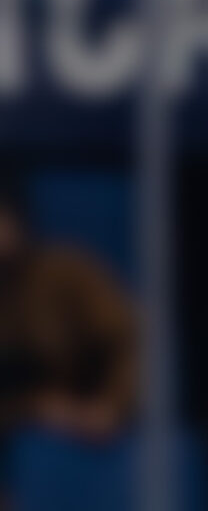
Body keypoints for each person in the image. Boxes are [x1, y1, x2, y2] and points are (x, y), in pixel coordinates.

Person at [0, 183, 137, 440]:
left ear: (16, 219)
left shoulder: (65, 274)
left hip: (97, 428)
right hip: (18, 435)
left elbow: (128, 338)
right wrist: (34, 407)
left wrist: (111, 407)